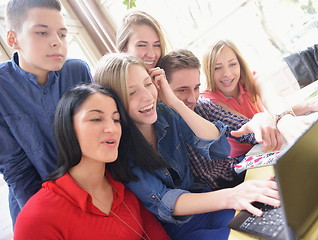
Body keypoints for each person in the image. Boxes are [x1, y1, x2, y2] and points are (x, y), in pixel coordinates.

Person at [94, 53, 280, 240]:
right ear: (113, 103)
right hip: (181, 227)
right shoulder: (120, 149)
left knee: (271, 218)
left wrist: (175, 103)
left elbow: (219, 149)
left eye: (147, 84)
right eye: (132, 92)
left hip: (209, 204)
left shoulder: (165, 112)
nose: (146, 96)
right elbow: (164, 200)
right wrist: (232, 195)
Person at [13, 84, 170, 239]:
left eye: (116, 119)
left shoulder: (127, 188)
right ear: (68, 128)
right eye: (96, 119)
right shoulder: (37, 218)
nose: (112, 129)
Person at [0, 0, 92, 224]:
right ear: (13, 39)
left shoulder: (78, 71)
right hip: (37, 199)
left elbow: (97, 137)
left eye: (62, 34)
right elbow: (16, 170)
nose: (56, 43)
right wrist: (53, 220)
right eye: (42, 33)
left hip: (91, 187)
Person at [157, 49, 282, 189]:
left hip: (233, 175)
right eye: (182, 90)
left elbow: (242, 128)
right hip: (206, 198)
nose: (192, 98)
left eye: (196, 88)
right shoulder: (158, 127)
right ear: (162, 89)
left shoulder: (202, 106)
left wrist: (262, 121)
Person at [201, 39, 318, 146]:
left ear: (240, 64)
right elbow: (254, 127)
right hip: (245, 159)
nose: (227, 73)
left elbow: (273, 97)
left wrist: (306, 106)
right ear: (208, 71)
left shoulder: (251, 78)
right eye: (217, 68)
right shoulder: (207, 100)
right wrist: (285, 118)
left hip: (271, 145)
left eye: (233, 64)